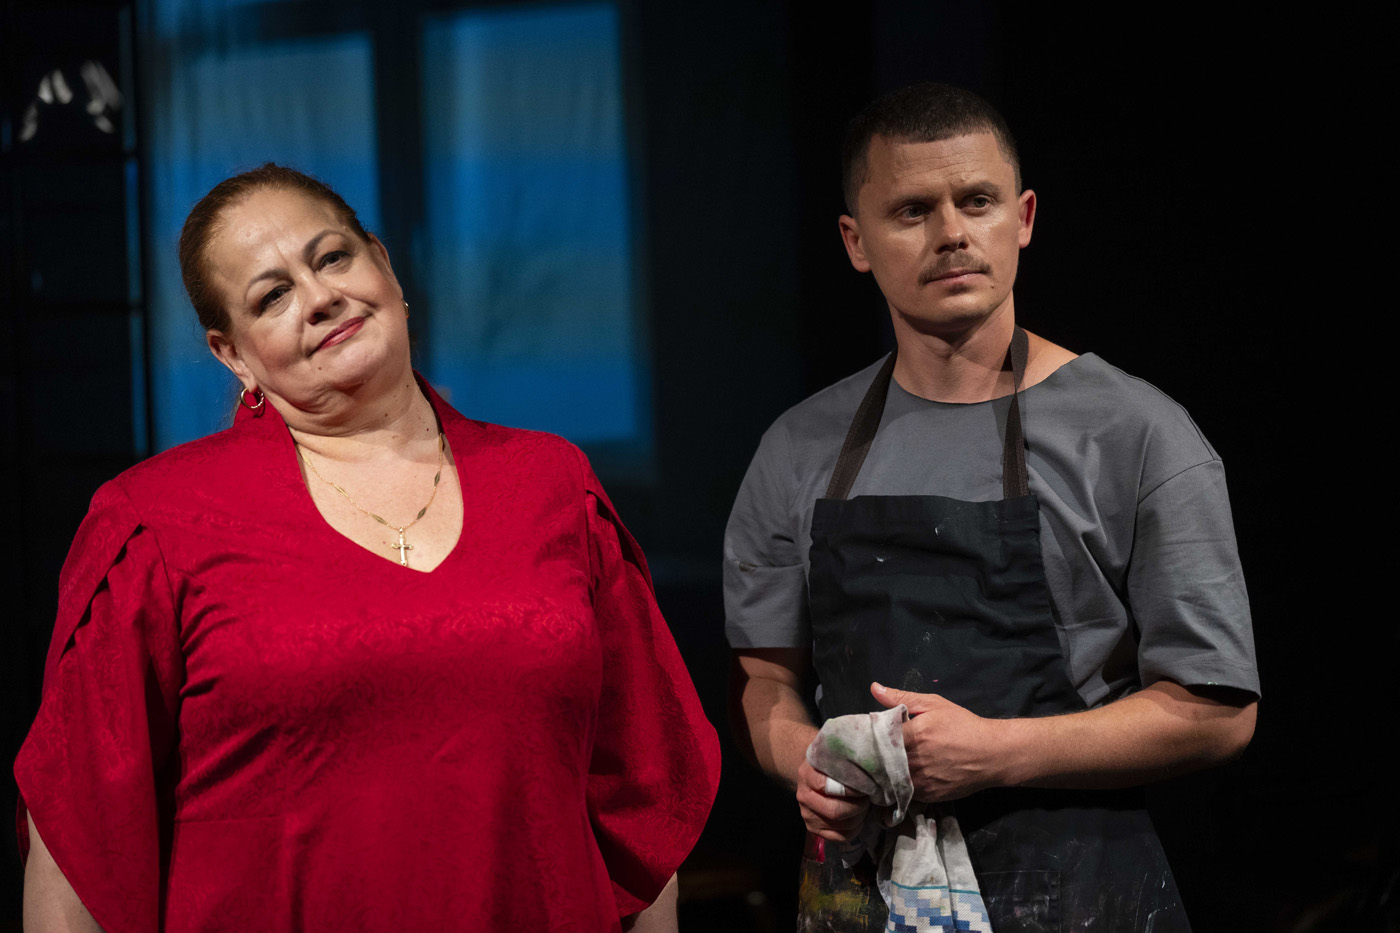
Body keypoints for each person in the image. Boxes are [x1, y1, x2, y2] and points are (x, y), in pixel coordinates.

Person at [17, 164, 720, 932]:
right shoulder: (154, 522)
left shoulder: (551, 482)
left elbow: (641, 803)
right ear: (234, 355)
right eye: (272, 296)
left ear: (383, 262)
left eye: (332, 257)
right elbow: (77, 842)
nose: (319, 297)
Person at [725, 83, 1258, 931]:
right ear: (855, 242)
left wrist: (996, 752)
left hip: (1081, 895)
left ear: (1024, 217)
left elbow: (1217, 711)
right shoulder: (797, 447)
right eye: (912, 211)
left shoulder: (1137, 433)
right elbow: (768, 682)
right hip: (862, 897)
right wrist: (810, 761)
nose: (952, 233)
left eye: (977, 201)